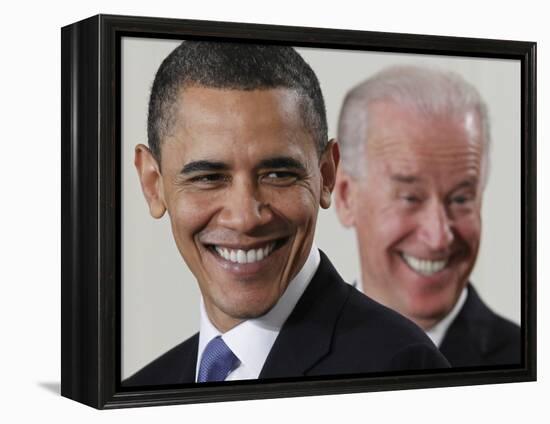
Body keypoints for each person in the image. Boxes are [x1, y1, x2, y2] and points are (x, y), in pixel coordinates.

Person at [124, 43, 449, 386]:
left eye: (278, 175)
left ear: (326, 175)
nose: (245, 217)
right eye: (208, 178)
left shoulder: (401, 369)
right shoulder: (141, 389)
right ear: (152, 184)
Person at [334, 65, 521, 367]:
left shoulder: (532, 362)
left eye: (460, 199)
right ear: (345, 196)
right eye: (410, 198)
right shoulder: (281, 356)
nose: (438, 237)